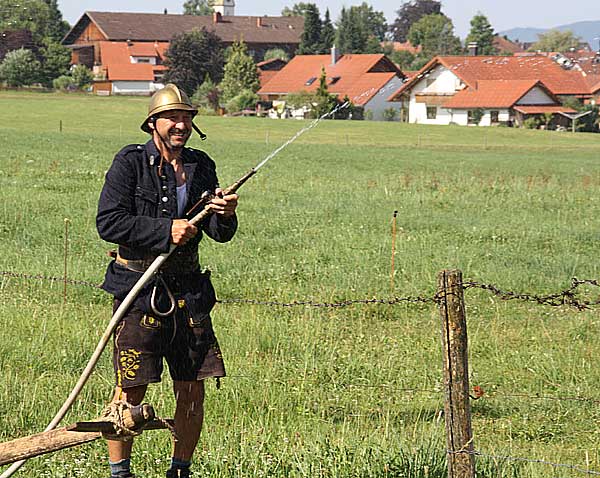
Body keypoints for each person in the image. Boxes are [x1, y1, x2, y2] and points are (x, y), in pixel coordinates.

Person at [96, 84, 239, 478]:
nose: (181, 125)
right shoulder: (129, 163)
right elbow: (108, 223)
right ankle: (120, 473)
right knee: (131, 387)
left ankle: (180, 472)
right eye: (172, 117)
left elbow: (219, 233)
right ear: (153, 123)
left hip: (189, 293)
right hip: (138, 291)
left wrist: (223, 213)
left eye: (186, 117)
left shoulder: (201, 164)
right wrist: (165, 231)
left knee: (193, 389)